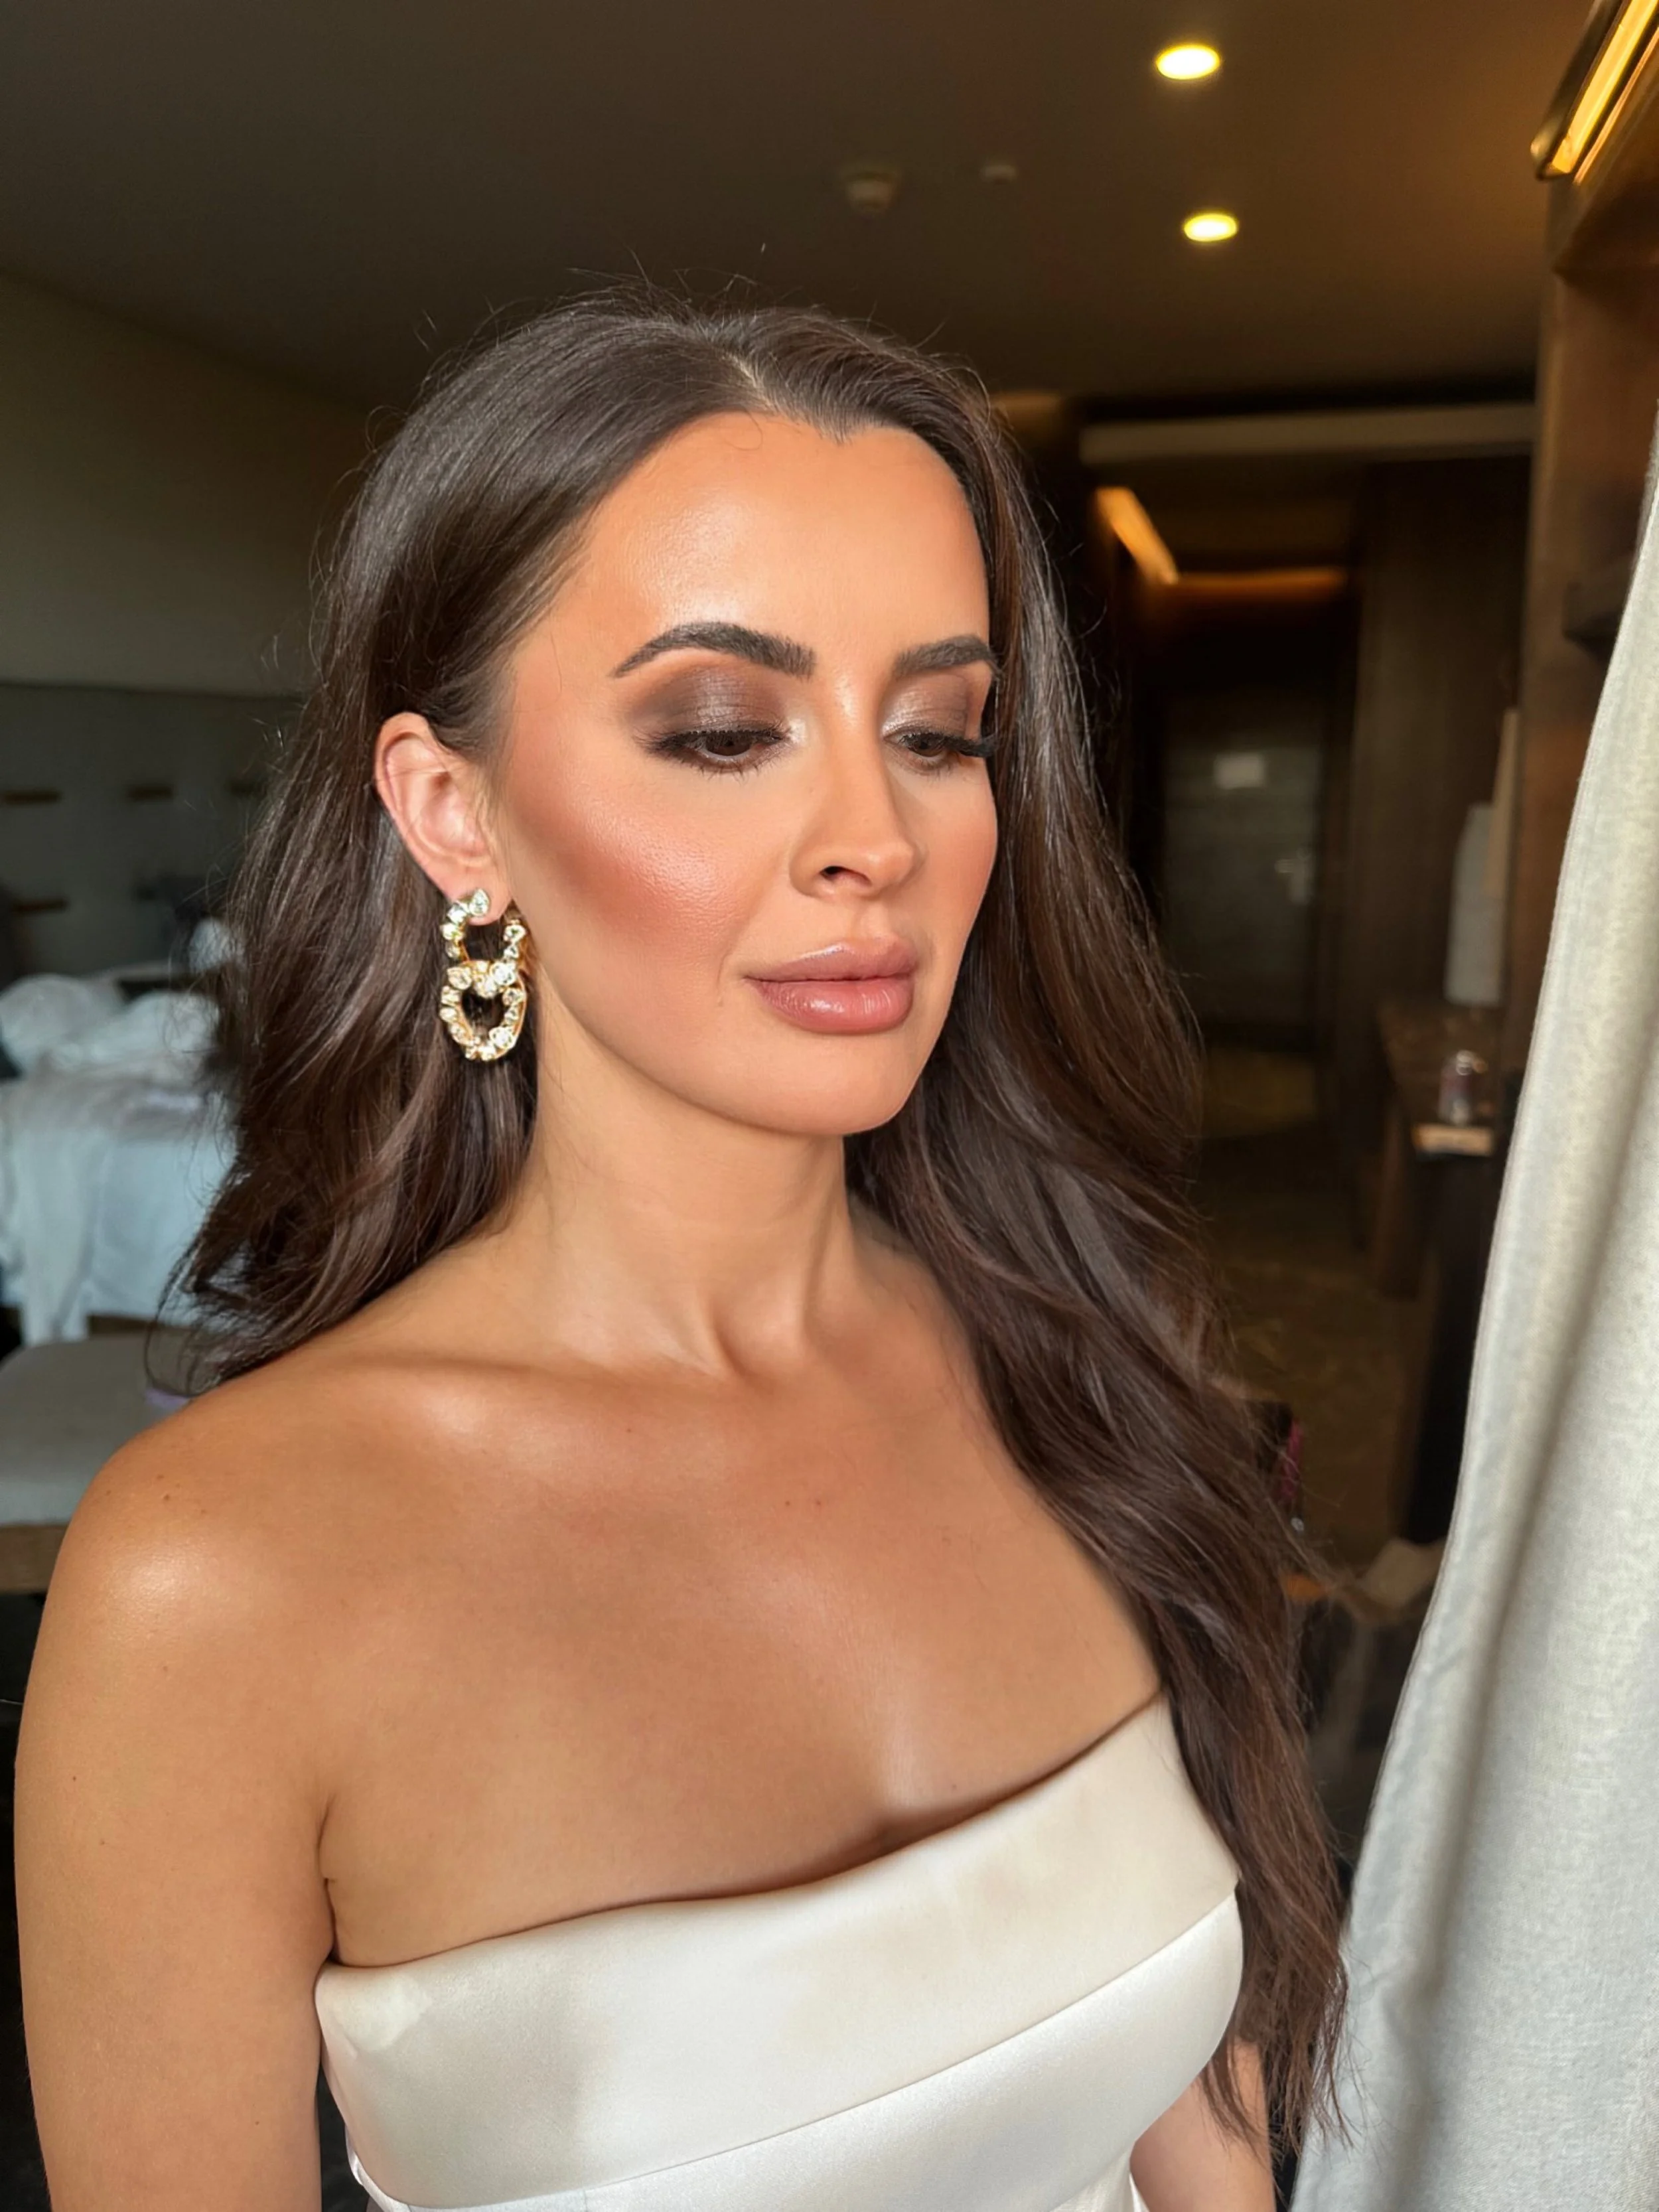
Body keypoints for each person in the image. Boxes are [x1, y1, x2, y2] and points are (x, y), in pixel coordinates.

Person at [15, 293, 1342, 2212]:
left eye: (937, 731)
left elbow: (1201, 2123)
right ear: (453, 813)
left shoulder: (1083, 1349)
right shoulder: (219, 1578)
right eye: (723, 731)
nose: (867, 833)